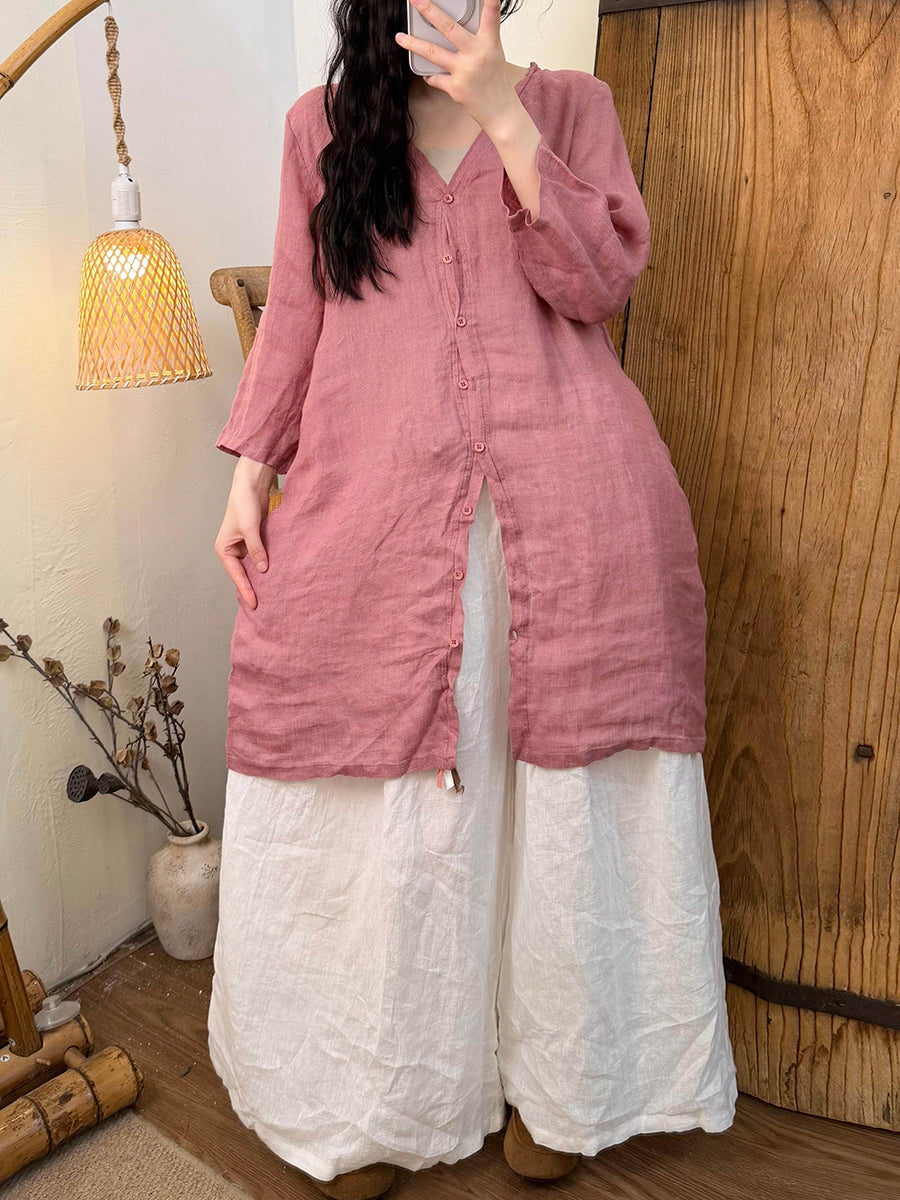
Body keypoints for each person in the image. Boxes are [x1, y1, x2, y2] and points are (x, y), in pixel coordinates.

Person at [208, 2, 738, 1198]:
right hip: (379, 514)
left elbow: (598, 284)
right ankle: (372, 1097)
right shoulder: (319, 130)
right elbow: (298, 314)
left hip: (571, 516)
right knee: (384, 780)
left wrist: (503, 112)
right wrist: (248, 477)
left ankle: (565, 1087)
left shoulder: (572, 108)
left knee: (559, 799)